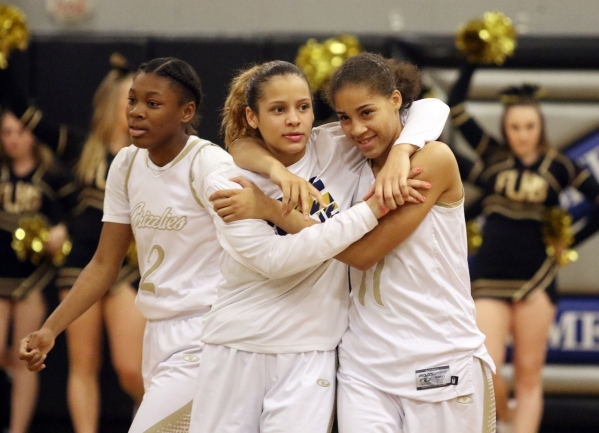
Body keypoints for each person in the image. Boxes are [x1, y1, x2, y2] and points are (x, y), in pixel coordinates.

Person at [188, 59, 449, 433]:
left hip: (312, 350)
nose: (294, 119)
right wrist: (369, 209)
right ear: (252, 116)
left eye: (303, 107)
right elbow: (278, 260)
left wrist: (401, 151)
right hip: (237, 344)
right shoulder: (228, 180)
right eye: (278, 110)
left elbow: (430, 107)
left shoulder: (337, 146)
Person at [18, 57, 232, 433]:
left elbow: (250, 249)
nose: (136, 112)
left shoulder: (209, 165)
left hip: (208, 335)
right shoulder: (126, 165)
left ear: (187, 111)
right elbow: (104, 263)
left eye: (152, 103)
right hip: (158, 334)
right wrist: (51, 329)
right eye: (132, 100)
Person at [447, 63, 599, 433]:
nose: (522, 135)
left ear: (540, 127)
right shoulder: (491, 161)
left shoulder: (561, 167)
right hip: (489, 277)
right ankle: (508, 419)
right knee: (486, 368)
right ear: (505, 128)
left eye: (529, 127)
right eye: (514, 127)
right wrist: (473, 61)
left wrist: (566, 243)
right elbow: (457, 108)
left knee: (529, 376)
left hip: (537, 277)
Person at [1, 55, 146, 433]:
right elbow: (27, 115)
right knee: (83, 366)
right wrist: (3, 64)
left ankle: (158, 423)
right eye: (130, 99)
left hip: (124, 266)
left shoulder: (146, 156)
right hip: (80, 264)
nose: (137, 108)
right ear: (112, 102)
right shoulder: (84, 147)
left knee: (132, 368)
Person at [0, 109, 77, 433]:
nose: (15, 139)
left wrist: (61, 233)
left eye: (21, 131)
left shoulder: (52, 177)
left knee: (22, 359)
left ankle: (18, 430)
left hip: (33, 280)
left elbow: (77, 216)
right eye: (7, 132)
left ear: (33, 134)